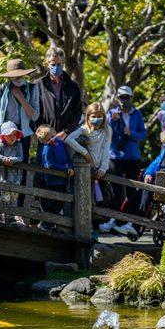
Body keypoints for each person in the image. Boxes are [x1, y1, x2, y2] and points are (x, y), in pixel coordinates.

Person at [0, 58, 39, 207]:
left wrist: (21, 98)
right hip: (4, 133)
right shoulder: (1, 89)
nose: (17, 78)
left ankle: (18, 209)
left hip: (22, 134)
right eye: (14, 75)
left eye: (20, 75)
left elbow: (35, 115)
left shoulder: (31, 88)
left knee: (21, 168)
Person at [99, 86, 146, 233]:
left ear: (131, 98)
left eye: (127, 97)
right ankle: (113, 221)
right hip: (115, 157)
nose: (124, 100)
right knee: (115, 191)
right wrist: (113, 122)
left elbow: (142, 134)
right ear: (117, 98)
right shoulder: (111, 114)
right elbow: (105, 132)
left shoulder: (137, 114)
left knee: (132, 191)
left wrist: (131, 133)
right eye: (121, 97)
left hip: (132, 157)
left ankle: (130, 223)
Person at [114, 127, 165, 236]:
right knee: (136, 195)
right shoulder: (164, 152)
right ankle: (118, 221)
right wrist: (148, 173)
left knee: (146, 192)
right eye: (164, 143)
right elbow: (153, 165)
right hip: (154, 184)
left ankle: (135, 226)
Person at [65, 102, 112, 240]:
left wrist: (103, 167)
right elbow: (69, 139)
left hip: (98, 170)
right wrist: (85, 152)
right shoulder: (83, 129)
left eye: (99, 116)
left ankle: (95, 229)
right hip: (84, 169)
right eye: (93, 116)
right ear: (88, 117)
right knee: (84, 199)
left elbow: (106, 149)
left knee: (98, 200)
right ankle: (80, 229)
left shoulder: (107, 130)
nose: (96, 119)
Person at [35, 124, 74, 232]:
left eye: (52, 136)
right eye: (48, 139)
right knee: (55, 203)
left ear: (55, 133)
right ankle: (46, 224)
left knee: (60, 202)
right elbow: (49, 165)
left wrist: (70, 167)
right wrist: (64, 168)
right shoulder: (47, 148)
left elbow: (67, 157)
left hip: (63, 179)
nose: (51, 139)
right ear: (43, 142)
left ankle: (49, 224)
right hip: (53, 181)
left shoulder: (60, 143)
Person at [0, 121, 23, 225]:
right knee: (5, 196)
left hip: (16, 176)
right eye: (9, 134)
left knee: (14, 197)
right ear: (4, 136)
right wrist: (4, 159)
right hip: (3, 175)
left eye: (14, 134)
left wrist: (12, 160)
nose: (12, 137)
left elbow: (21, 157)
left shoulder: (18, 145)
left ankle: (11, 218)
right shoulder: (1, 145)